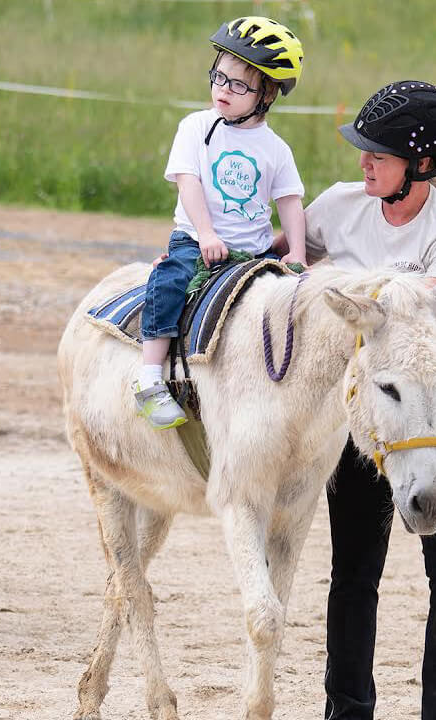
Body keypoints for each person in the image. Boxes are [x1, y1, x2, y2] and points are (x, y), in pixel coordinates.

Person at [278, 81, 436, 720]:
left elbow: (420, 314)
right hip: (363, 412)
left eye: (377, 153)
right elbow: (283, 257)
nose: (363, 164)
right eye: (364, 150)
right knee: (352, 570)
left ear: (423, 165)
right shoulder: (336, 210)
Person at [134, 16, 307, 429]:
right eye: (219, 77)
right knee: (171, 282)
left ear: (266, 95)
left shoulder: (276, 149)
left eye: (238, 85)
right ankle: (149, 379)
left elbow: (290, 201)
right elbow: (188, 182)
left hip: (253, 251)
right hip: (198, 240)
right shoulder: (196, 127)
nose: (222, 90)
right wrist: (207, 233)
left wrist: (297, 253)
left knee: (286, 304)